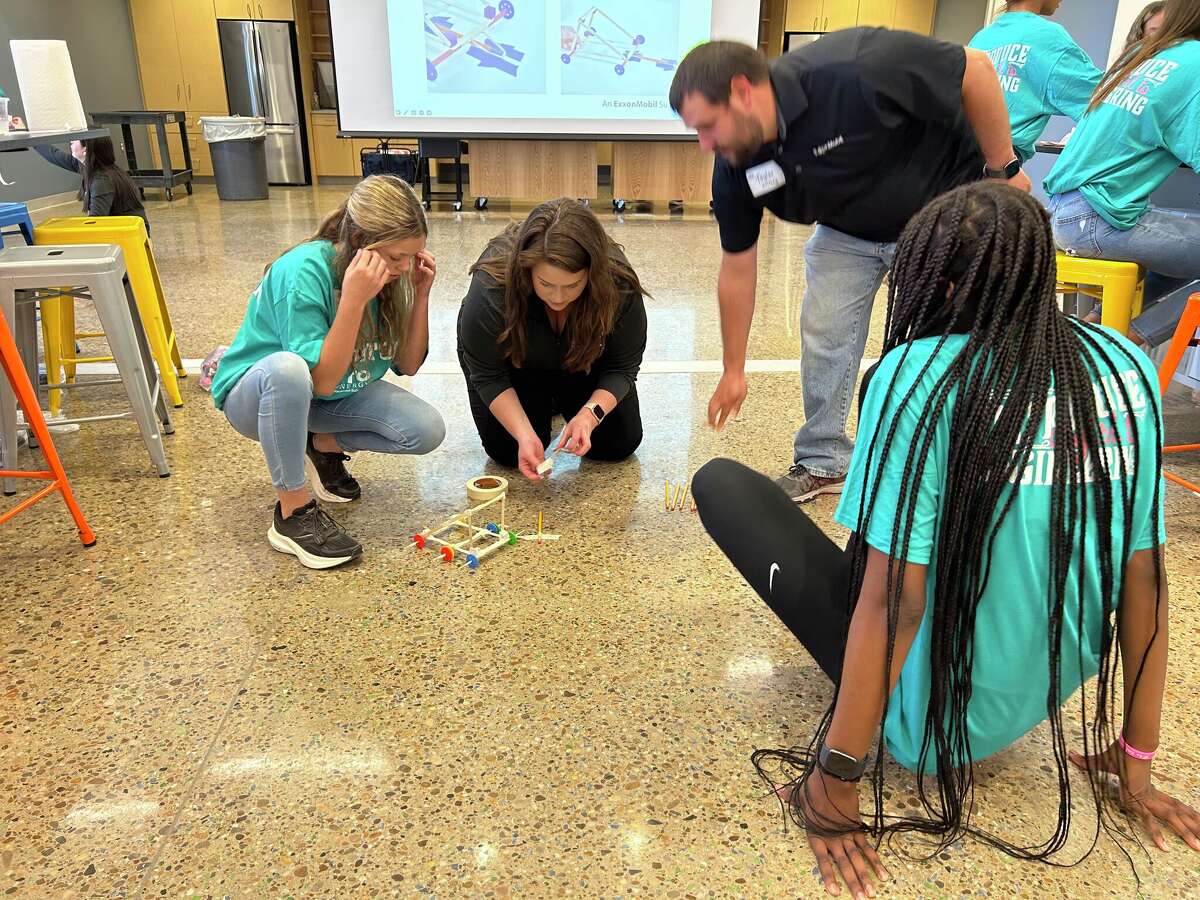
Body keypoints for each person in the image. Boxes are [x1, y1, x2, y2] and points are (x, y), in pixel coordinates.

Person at [693, 181, 1198, 898]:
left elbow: (894, 603)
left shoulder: (919, 376)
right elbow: (1144, 583)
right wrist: (1136, 760)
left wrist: (836, 780)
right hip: (1033, 689)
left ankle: (865, 731)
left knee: (722, 484)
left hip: (927, 715)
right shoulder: (1125, 372)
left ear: (947, 284)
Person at [668, 34, 1029, 505]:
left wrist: (1005, 169)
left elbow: (976, 68)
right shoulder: (737, 164)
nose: (704, 144)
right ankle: (824, 460)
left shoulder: (854, 68)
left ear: (742, 91)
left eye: (708, 127)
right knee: (825, 333)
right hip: (846, 232)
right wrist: (732, 369)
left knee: (937, 349)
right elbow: (737, 265)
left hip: (938, 214)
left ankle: (956, 460)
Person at [210, 175, 445, 569]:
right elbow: (318, 380)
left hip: (328, 396)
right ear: (359, 242)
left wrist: (420, 294)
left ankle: (321, 444)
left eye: (411, 255)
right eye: (395, 257)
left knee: (425, 429)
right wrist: (353, 299)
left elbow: (407, 364)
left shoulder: (392, 274)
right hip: (263, 397)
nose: (404, 266)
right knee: (288, 371)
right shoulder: (303, 271)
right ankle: (292, 512)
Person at [1045, 0, 1200, 348]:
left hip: (1066, 212)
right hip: (1098, 220)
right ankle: (1125, 340)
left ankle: (1095, 327)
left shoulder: (1142, 59)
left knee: (1182, 248)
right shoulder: (1196, 63)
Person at [458, 198, 647, 481]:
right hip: (516, 364)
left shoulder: (617, 283)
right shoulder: (492, 288)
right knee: (509, 452)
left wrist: (589, 415)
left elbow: (622, 367)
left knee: (618, 444)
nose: (558, 298)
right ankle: (547, 403)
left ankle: (560, 403)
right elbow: (487, 374)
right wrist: (523, 433)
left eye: (572, 285)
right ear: (527, 270)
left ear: (592, 275)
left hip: (581, 360)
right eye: (545, 284)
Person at [967, 0, 1103, 163]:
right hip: (993, 165)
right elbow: (1108, 101)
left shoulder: (981, 38)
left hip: (954, 156)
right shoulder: (1048, 38)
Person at [34, 136, 147, 228]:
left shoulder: (102, 181)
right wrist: (28, 135)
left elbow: (95, 224)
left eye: (76, 139)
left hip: (129, 237)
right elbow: (54, 155)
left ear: (86, 149)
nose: (71, 140)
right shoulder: (90, 166)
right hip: (120, 230)